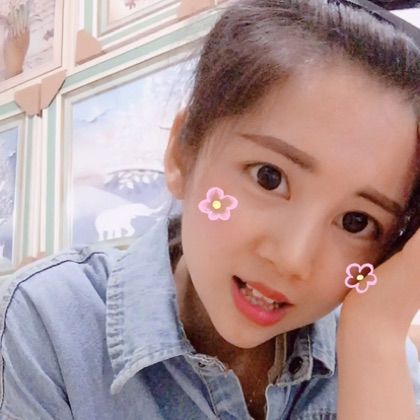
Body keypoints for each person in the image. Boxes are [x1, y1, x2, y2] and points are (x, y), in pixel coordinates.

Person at [0, 0, 419, 418]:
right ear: (183, 153)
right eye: (269, 177)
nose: (292, 259)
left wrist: (374, 338)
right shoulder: (49, 320)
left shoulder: (380, 357)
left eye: (356, 222)